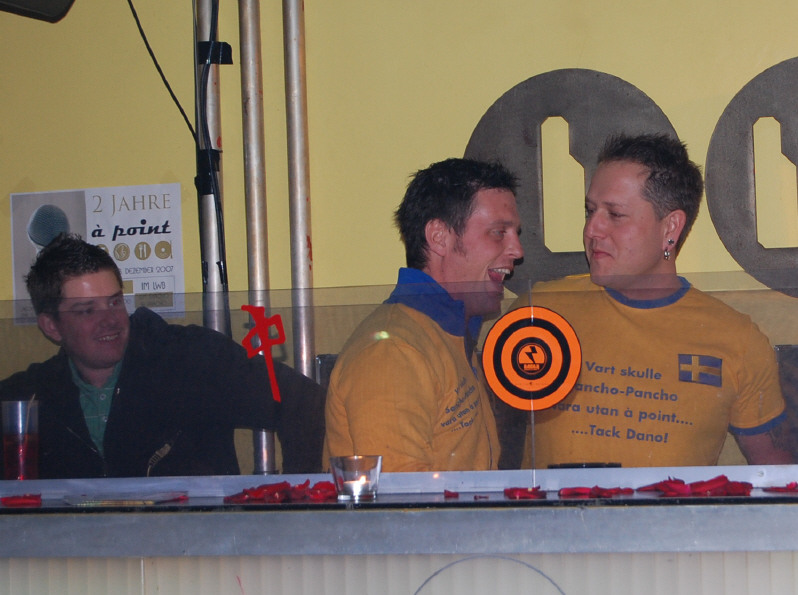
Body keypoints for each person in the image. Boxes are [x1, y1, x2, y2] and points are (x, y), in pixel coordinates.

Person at [520, 133, 792, 468]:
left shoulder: (738, 340)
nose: (592, 229)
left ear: (671, 228)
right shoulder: (538, 312)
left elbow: (777, 472)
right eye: (590, 211)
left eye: (615, 214)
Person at [0, 234, 325, 478]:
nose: (110, 320)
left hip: (197, 547)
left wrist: (296, 501)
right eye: (87, 310)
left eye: (115, 302)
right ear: (51, 326)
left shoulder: (192, 359)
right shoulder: (25, 398)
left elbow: (304, 402)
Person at [323, 158, 522, 472]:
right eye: (498, 232)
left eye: (515, 233)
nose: (517, 250)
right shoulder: (393, 353)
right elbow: (400, 496)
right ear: (439, 237)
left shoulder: (447, 335)